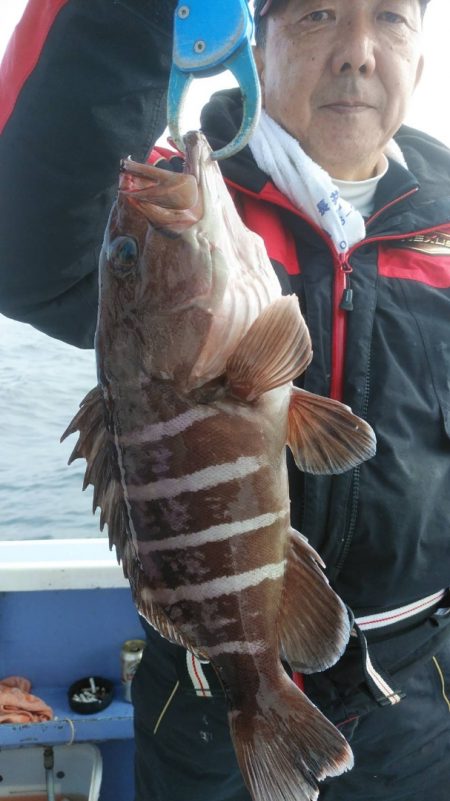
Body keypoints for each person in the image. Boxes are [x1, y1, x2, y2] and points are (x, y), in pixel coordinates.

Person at [1, 0, 449, 799]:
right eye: (316, 16)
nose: (356, 52)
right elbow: (24, 250)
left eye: (389, 17)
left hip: (417, 712)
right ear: (255, 41)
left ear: (422, 52)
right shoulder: (176, 200)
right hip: (204, 707)